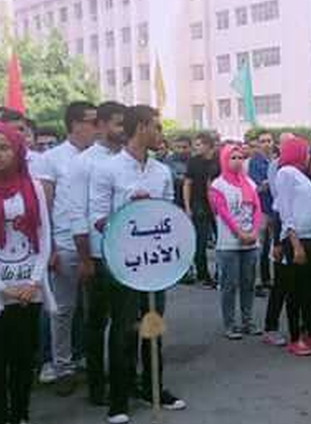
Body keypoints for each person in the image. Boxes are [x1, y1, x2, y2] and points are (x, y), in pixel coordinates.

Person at [89, 105, 185, 423]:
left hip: (155, 264)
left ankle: (153, 386)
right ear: (141, 127)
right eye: (156, 127)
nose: (161, 134)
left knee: (153, 326)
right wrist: (130, 212)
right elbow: (98, 219)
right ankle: (119, 397)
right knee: (123, 330)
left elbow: (169, 216)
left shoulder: (161, 171)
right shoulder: (108, 169)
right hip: (123, 263)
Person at [0, 122, 56, 424]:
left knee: (23, 358)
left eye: (4, 148)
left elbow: (44, 234)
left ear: (17, 151)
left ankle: (20, 415)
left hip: (29, 286)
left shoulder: (34, 187)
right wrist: (0, 286)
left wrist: (33, 281)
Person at [64, 101, 126, 409]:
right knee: (96, 322)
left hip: (129, 256)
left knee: (126, 323)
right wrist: (85, 258)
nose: (122, 129)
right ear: (100, 125)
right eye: (117, 123)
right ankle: (97, 386)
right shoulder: (84, 163)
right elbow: (77, 213)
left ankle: (124, 380)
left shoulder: (131, 159)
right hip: (99, 256)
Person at [33, 101, 98, 394]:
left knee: (93, 308)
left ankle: (86, 358)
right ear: (74, 124)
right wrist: (48, 249)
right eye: (91, 121)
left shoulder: (100, 158)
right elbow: (44, 206)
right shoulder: (52, 159)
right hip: (63, 242)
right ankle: (62, 366)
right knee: (63, 310)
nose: (96, 127)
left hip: (95, 243)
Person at [273, 137, 311, 357]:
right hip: (297, 240)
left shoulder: (302, 176)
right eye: (305, 152)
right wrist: (295, 245)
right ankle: (295, 338)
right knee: (296, 291)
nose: (308, 157)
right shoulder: (285, 173)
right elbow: (286, 212)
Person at [210, 143, 264, 340]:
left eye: (240, 157)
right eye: (233, 157)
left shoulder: (249, 182)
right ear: (224, 160)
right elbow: (223, 212)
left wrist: (254, 231)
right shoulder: (218, 185)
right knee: (229, 285)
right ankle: (230, 324)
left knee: (248, 283)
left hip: (250, 242)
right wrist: (240, 232)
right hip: (229, 243)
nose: (237, 161)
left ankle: (248, 321)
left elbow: (257, 209)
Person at [184, 133, 219, 287]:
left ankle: (221, 273)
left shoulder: (220, 160)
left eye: (198, 144)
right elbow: (187, 184)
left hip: (219, 206)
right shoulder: (193, 161)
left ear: (208, 145)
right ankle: (203, 274)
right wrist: (187, 206)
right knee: (200, 241)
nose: (195, 147)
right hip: (199, 204)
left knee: (223, 241)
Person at [247, 130, 275, 296]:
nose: (266, 144)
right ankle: (256, 282)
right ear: (258, 144)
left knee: (270, 248)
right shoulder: (254, 162)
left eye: (269, 140)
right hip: (261, 209)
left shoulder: (275, 160)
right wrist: (269, 182)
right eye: (263, 141)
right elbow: (256, 188)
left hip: (274, 208)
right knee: (259, 246)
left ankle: (267, 279)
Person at [164, 136, 191, 209]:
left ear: (190, 147)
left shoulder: (194, 161)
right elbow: (172, 177)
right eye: (178, 147)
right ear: (173, 148)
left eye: (184, 147)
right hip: (174, 199)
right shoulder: (168, 161)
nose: (181, 150)